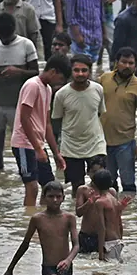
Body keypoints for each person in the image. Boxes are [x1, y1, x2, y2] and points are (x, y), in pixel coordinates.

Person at [0, 12, 40, 171]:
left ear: (14, 30)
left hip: (19, 105)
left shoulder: (26, 44)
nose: (4, 40)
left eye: (6, 37)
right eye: (1, 37)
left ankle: (26, 171)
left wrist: (19, 72)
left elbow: (36, 73)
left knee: (23, 143)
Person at [2, 181, 78, 275]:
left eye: (58, 196)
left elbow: (76, 245)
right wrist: (10, 269)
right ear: (43, 198)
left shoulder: (69, 218)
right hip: (49, 269)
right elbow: (25, 244)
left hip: (66, 268)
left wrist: (68, 260)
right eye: (51, 196)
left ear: (63, 198)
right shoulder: (38, 219)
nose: (55, 200)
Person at [13, 57, 72, 207]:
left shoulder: (47, 89)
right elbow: (24, 119)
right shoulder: (32, 85)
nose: (60, 83)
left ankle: (46, 220)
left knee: (49, 186)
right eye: (60, 78)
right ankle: (29, 222)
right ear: (53, 72)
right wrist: (38, 149)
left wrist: (56, 153)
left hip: (37, 143)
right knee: (32, 187)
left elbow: (46, 124)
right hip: (23, 144)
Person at [52, 54, 106, 194]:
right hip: (71, 147)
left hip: (95, 144)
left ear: (89, 71)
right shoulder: (61, 94)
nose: (80, 74)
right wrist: (57, 150)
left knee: (101, 184)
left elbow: (99, 113)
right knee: (77, 189)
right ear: (71, 71)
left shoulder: (98, 89)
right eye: (76, 70)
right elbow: (56, 121)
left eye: (84, 70)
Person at [99, 49, 137, 196]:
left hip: (125, 142)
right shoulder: (104, 79)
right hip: (102, 141)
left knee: (128, 185)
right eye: (123, 62)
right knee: (106, 184)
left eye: (131, 63)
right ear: (116, 63)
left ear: (136, 66)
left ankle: (130, 215)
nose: (127, 66)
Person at [76, 168, 126, 261]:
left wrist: (101, 254)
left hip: (105, 239)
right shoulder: (83, 190)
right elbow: (78, 213)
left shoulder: (108, 195)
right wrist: (89, 202)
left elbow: (107, 224)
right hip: (91, 237)